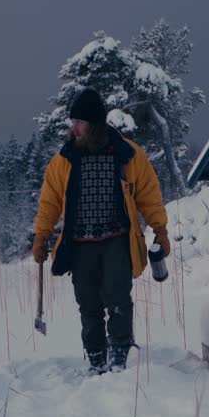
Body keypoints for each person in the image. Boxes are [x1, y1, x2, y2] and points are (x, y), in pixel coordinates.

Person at [33, 88, 170, 373]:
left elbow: (148, 193)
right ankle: (96, 357)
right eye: (73, 122)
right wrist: (41, 234)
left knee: (118, 296)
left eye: (79, 122)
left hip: (117, 240)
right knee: (88, 302)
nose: (74, 128)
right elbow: (50, 200)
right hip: (80, 244)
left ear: (94, 123)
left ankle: (119, 353)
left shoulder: (128, 155)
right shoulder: (65, 159)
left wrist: (160, 229)